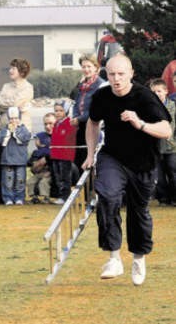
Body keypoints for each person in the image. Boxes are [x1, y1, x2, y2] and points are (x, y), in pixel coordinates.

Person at [83, 54, 172, 286]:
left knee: (138, 211)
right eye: (111, 74)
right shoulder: (102, 96)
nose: (116, 79)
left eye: (121, 74)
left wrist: (139, 123)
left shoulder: (145, 97)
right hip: (113, 157)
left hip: (143, 163)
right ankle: (113, 257)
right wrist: (90, 154)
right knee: (108, 197)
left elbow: (166, 130)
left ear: (131, 74)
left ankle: (138, 258)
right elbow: (92, 123)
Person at [0, 58, 33, 203]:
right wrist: (7, 104)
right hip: (3, 128)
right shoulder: (6, 86)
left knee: (17, 165)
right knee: (2, 162)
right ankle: (3, 195)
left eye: (13, 68)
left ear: (21, 71)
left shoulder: (27, 87)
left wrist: (7, 104)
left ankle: (18, 195)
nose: (10, 71)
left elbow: (15, 105)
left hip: (19, 131)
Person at [70, 54, 105, 171]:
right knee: (79, 158)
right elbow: (76, 102)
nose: (86, 69)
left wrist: (80, 118)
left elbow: (95, 108)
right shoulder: (81, 84)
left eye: (89, 66)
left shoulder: (100, 85)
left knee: (90, 158)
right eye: (83, 67)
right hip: (80, 125)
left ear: (96, 67)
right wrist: (75, 117)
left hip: (93, 124)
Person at [149, 78, 176, 206]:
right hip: (156, 147)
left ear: (166, 91)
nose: (157, 94)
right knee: (159, 176)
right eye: (153, 92)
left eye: (159, 91)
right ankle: (163, 198)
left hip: (172, 147)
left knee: (173, 172)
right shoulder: (148, 108)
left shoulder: (173, 106)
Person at [0, 107, 31, 205]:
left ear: (19, 118)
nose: (13, 121)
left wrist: (15, 133)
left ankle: (19, 197)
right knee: (8, 180)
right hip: (7, 159)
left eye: (16, 118)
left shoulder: (23, 129)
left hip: (20, 159)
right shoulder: (5, 129)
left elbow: (25, 139)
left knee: (20, 179)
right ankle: (8, 197)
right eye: (11, 118)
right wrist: (8, 133)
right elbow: (1, 141)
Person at [50, 100, 77, 205]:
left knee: (65, 178)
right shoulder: (56, 124)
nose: (58, 113)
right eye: (56, 111)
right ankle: (61, 196)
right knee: (58, 177)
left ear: (66, 111)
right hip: (56, 154)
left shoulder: (69, 123)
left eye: (61, 110)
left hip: (65, 155)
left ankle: (65, 197)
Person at [27, 112, 56, 204]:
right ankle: (33, 197)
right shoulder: (39, 146)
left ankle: (45, 197)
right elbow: (31, 162)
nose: (47, 126)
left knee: (44, 182)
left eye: (51, 123)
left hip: (51, 171)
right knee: (31, 181)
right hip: (40, 171)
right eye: (45, 124)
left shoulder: (58, 137)